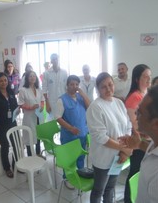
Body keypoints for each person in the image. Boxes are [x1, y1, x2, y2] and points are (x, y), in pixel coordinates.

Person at [86, 72, 132, 203]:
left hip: (118, 156)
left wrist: (124, 152)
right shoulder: (95, 107)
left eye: (110, 85)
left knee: (110, 187)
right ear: (98, 89)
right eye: (103, 87)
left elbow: (128, 125)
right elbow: (101, 137)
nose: (108, 89)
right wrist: (125, 149)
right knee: (98, 190)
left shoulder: (119, 103)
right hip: (103, 158)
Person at [56, 75, 90, 189]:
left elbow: (90, 106)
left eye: (76, 84)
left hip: (82, 133)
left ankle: (80, 173)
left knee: (81, 156)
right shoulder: (62, 99)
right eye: (72, 84)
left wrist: (82, 93)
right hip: (69, 135)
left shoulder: (81, 98)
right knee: (69, 158)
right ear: (67, 85)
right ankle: (67, 178)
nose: (74, 86)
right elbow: (58, 118)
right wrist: (71, 128)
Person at [124, 64, 151, 203]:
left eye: (149, 76)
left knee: (141, 173)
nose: (148, 79)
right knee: (135, 172)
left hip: (147, 139)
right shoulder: (135, 97)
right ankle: (128, 199)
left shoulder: (145, 94)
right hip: (138, 140)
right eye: (145, 76)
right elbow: (135, 124)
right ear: (136, 79)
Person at [18, 71, 44, 156]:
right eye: (30, 76)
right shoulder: (23, 90)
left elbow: (42, 99)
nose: (32, 78)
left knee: (38, 133)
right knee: (29, 135)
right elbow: (21, 104)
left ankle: (38, 153)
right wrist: (31, 108)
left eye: (34, 76)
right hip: (29, 116)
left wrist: (42, 106)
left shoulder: (39, 89)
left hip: (38, 115)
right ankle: (30, 155)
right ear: (27, 78)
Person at [42, 53, 68, 119]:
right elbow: (44, 89)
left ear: (59, 60)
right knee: (52, 120)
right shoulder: (46, 73)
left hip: (63, 100)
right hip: (52, 102)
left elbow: (67, 87)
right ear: (51, 61)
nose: (55, 60)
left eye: (56, 59)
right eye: (53, 59)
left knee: (64, 119)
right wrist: (47, 103)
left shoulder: (64, 72)